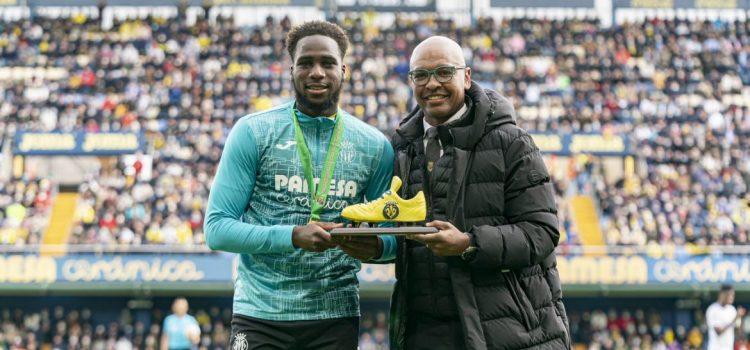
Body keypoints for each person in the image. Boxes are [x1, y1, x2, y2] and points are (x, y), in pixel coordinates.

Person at [338, 36, 570, 349]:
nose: (432, 83)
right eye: (420, 75)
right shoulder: (402, 147)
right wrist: (377, 249)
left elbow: (541, 233)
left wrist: (468, 243)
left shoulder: (512, 142)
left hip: (506, 331)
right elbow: (408, 238)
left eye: (444, 72)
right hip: (423, 329)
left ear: (467, 76)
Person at [203, 20, 394, 349]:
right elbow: (217, 229)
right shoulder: (253, 132)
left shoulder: (375, 146)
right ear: (291, 69)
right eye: (306, 63)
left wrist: (376, 247)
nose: (317, 72)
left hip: (334, 316)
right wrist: (293, 236)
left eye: (327, 63)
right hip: (260, 314)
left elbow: (395, 239)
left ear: (344, 69)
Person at [706, 284, 746, 350]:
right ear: (722, 294)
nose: (732, 297)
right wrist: (735, 318)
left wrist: (740, 318)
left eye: (733, 295)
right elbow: (719, 332)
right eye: (729, 295)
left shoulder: (732, 310)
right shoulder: (712, 309)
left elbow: (738, 332)